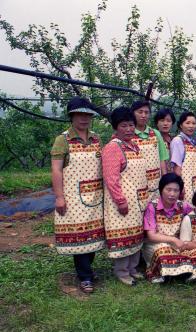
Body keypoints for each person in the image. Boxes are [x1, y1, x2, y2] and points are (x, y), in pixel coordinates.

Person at [51, 96, 105, 293]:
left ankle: (87, 270)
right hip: (74, 197)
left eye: (87, 114)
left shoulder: (96, 138)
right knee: (79, 236)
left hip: (96, 196)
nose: (84, 118)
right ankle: (84, 276)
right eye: (80, 114)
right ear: (71, 116)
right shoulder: (62, 140)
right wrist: (59, 196)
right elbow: (56, 170)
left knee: (94, 235)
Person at [102, 106, 148, 286]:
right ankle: (121, 271)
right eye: (124, 126)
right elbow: (111, 178)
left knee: (136, 235)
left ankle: (132, 268)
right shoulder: (113, 148)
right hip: (122, 201)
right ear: (115, 127)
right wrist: (120, 201)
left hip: (137, 200)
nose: (129, 129)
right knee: (123, 237)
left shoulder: (134, 146)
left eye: (131, 125)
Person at [142, 173, 193, 283]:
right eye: (168, 189)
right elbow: (151, 236)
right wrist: (173, 239)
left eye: (176, 190)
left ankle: (172, 273)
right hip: (155, 244)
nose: (172, 194)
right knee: (164, 252)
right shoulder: (152, 207)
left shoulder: (183, 206)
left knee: (193, 252)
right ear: (161, 189)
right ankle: (165, 272)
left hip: (177, 245)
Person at [130, 100, 169, 201]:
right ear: (132, 113)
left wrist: (165, 182)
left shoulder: (155, 133)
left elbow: (162, 159)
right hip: (134, 185)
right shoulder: (128, 135)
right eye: (140, 112)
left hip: (155, 186)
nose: (143, 115)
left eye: (146, 112)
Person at [169, 111, 196, 203]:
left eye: (193, 123)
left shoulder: (192, 141)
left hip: (194, 184)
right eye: (187, 123)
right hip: (185, 185)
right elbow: (176, 167)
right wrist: (180, 186)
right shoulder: (178, 141)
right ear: (181, 125)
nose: (191, 126)